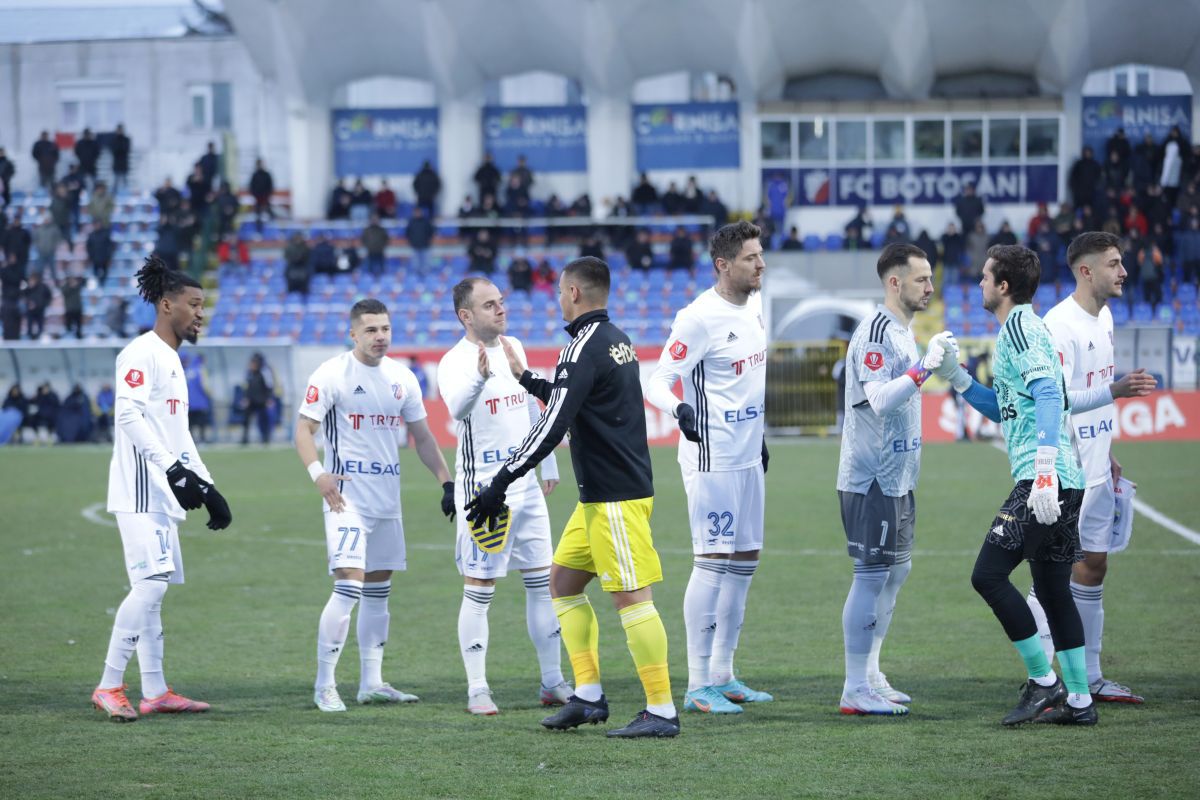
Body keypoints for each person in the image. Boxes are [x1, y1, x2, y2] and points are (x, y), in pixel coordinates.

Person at [465, 257, 678, 738]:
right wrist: (527, 380)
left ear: (575, 294)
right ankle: (587, 696)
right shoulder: (617, 340)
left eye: (561, 291)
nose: (559, 298)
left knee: (631, 598)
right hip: (600, 497)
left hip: (615, 499)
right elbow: (580, 400)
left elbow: (554, 424)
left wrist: (501, 479)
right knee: (561, 583)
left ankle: (662, 710)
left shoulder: (582, 347)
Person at [942, 244, 1097, 726]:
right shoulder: (1025, 329)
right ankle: (1079, 702)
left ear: (1004, 286)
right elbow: (1006, 409)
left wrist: (1045, 470)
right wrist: (957, 378)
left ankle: (1044, 682)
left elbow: (1050, 395)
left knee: (987, 575)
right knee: (1053, 593)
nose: (980, 284)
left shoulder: (1019, 328)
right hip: (1063, 482)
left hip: (1043, 480)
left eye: (986, 277)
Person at [294, 298, 454, 712]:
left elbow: (422, 437)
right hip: (346, 500)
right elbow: (304, 429)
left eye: (384, 328)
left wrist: (446, 482)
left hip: (387, 501)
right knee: (348, 587)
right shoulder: (332, 374)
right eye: (370, 330)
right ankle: (324, 685)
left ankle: (372, 682)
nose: (380, 336)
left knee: (379, 593)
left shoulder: (402, 378)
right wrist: (318, 474)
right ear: (353, 333)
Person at [91, 255, 232, 722]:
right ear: (166, 304)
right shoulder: (141, 352)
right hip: (138, 491)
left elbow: (179, 433)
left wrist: (208, 487)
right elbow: (127, 415)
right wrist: (173, 471)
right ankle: (110, 684)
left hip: (162, 493)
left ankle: (155, 690)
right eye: (194, 304)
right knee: (149, 586)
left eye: (203, 305)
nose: (200, 313)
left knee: (155, 589)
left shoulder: (172, 360)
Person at [1023, 232, 1159, 703]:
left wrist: (1109, 446)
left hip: (1099, 465)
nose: (1124, 272)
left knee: (1094, 566)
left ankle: (1093, 675)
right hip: (1066, 471)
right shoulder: (1059, 326)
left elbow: (1093, 394)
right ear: (1086, 271)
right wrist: (1116, 391)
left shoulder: (1104, 315)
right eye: (1114, 263)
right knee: (1050, 575)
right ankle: (1040, 679)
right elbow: (1054, 399)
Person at [645, 221, 773, 716]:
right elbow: (659, 379)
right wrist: (679, 410)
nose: (760, 264)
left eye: (761, 255)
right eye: (750, 258)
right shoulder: (697, 318)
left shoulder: (756, 304)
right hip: (711, 455)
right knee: (713, 562)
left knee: (745, 561)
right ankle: (698, 683)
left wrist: (759, 436)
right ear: (723, 265)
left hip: (747, 456)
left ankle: (723, 671)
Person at [832, 243, 957, 715]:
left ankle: (871, 673)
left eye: (930, 278)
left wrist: (934, 364)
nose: (930, 287)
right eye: (922, 279)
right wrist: (926, 367)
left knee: (896, 571)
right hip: (871, 479)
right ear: (894, 282)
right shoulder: (876, 332)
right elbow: (881, 399)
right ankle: (853, 688)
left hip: (899, 477)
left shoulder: (903, 332)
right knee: (871, 575)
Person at [438, 278, 570, 715]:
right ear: (466, 315)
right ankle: (477, 688)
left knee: (541, 583)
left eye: (501, 302)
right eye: (489, 305)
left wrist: (546, 464)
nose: (500, 310)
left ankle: (552, 681)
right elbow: (455, 409)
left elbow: (532, 403)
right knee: (479, 588)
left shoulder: (513, 344)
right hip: (483, 492)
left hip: (527, 486)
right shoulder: (454, 361)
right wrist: (478, 379)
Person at [240, 353, 275, 445]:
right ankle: (245, 438)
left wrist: (269, 399)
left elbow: (269, 386)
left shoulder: (265, 372)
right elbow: (246, 387)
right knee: (246, 418)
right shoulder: (249, 373)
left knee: (264, 419)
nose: (252, 365)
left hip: (262, 401)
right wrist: (246, 398)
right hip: (251, 401)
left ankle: (266, 438)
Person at [22, 271, 51, 339]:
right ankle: (30, 337)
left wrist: (44, 304)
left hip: (40, 309)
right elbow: (23, 296)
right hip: (30, 309)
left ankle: (40, 337)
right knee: (30, 325)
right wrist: (28, 303)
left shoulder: (43, 287)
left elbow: (48, 296)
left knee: (40, 326)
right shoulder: (28, 288)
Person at [405, 207, 433, 276]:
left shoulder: (426, 221)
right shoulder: (411, 222)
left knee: (426, 264)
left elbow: (430, 232)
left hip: (425, 246)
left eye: (418, 212)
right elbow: (408, 233)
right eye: (416, 212)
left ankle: (426, 278)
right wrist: (411, 242)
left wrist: (428, 240)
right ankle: (416, 279)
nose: (417, 214)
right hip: (415, 246)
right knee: (415, 264)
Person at [249, 159, 274, 225]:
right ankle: (258, 229)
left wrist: (267, 195)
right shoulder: (255, 175)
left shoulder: (267, 175)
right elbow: (251, 186)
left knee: (270, 213)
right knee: (257, 215)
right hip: (258, 198)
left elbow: (270, 186)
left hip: (266, 197)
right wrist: (255, 195)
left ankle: (271, 226)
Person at [61, 272, 85, 339]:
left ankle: (79, 336)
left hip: (78, 308)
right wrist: (70, 286)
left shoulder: (78, 285)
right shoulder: (65, 287)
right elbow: (63, 291)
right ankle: (69, 337)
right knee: (68, 326)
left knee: (79, 326)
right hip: (69, 309)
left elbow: (84, 282)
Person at [110, 124, 131, 193]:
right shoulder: (114, 140)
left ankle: (126, 195)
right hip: (116, 164)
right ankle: (113, 197)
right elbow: (114, 150)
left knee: (125, 182)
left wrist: (119, 149)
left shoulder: (126, 139)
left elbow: (126, 149)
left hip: (124, 164)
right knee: (115, 182)